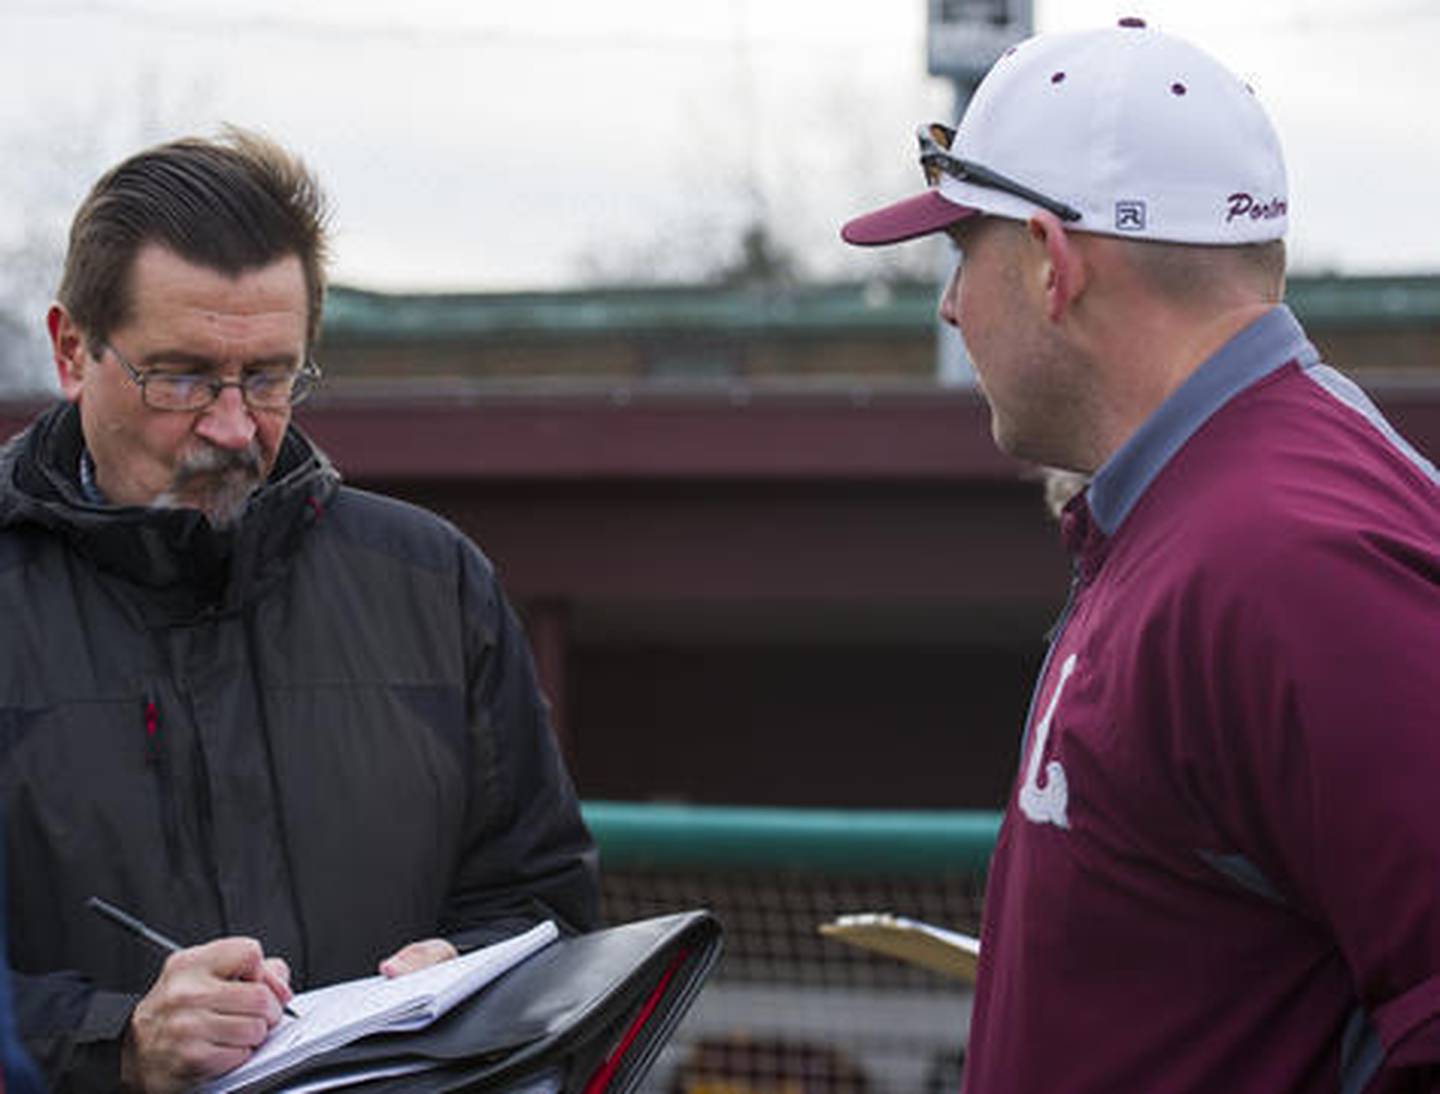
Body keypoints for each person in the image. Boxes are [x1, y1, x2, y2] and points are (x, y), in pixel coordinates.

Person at [842, 19, 1440, 1094]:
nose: (949, 303)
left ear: (1050, 265)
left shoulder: (1285, 551)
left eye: (962, 252)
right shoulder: (1205, 504)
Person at [0, 129, 599, 1093]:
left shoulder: (433, 583)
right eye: (182, 376)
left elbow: (549, 908)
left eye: (270, 376)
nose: (234, 427)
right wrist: (118, 1042)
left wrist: (471, 974)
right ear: (73, 351)